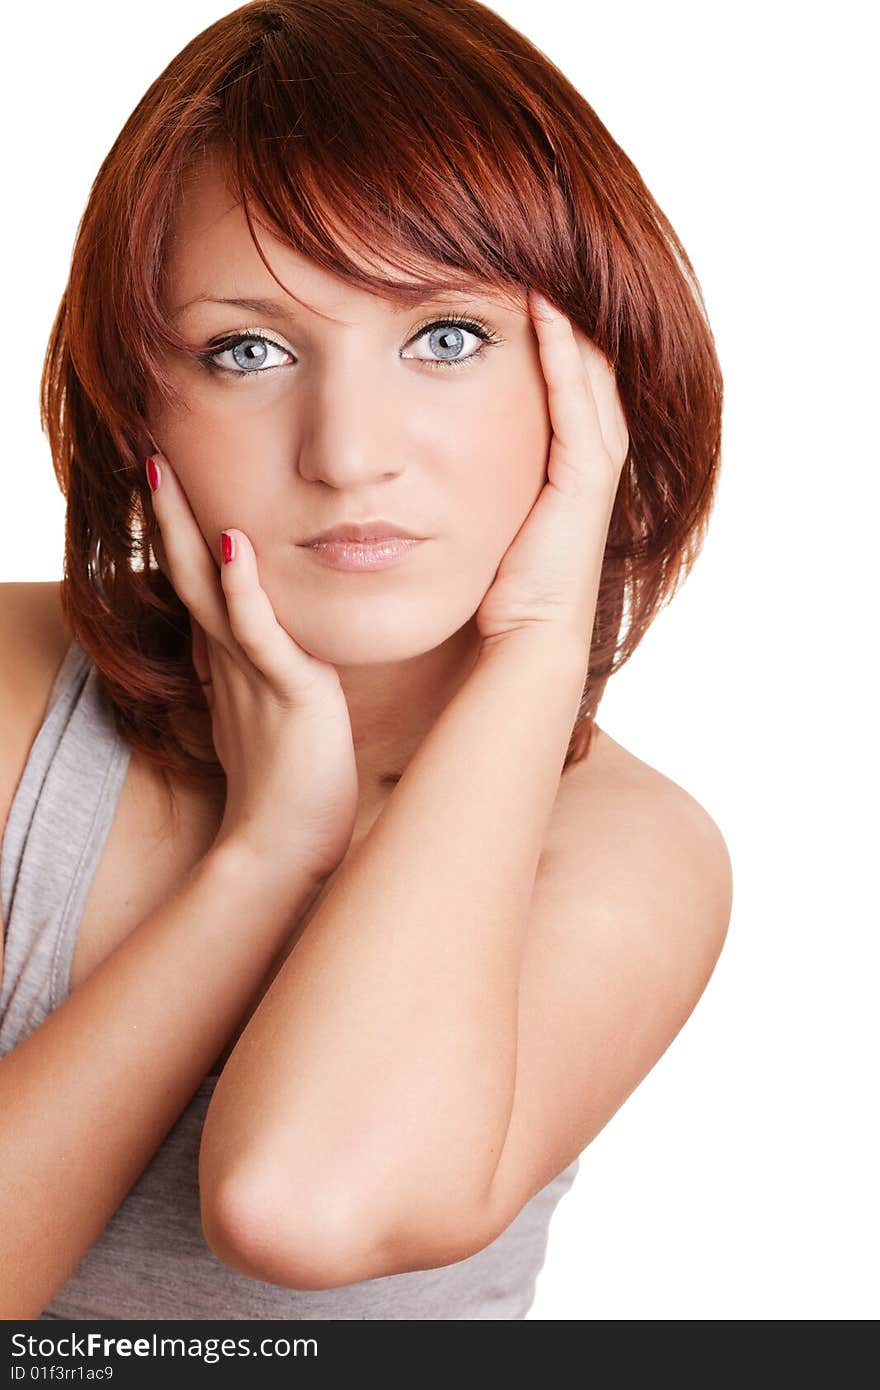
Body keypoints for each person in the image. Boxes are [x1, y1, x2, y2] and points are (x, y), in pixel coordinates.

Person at [0, 0, 733, 1319]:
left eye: (444, 338)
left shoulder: (626, 854)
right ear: (139, 401)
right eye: (249, 349)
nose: (348, 450)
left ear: (598, 378)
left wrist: (535, 649)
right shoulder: (13, 690)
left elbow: (299, 1199)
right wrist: (263, 856)